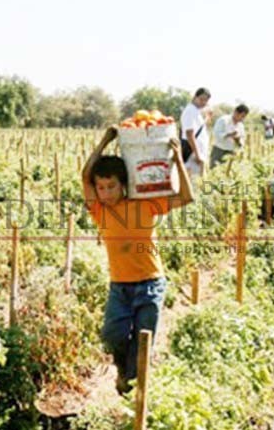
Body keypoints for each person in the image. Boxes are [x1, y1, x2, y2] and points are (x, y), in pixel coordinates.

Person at [81, 127, 195, 395]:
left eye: (111, 187)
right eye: (101, 188)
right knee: (112, 335)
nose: (105, 193)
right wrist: (105, 141)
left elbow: (186, 197)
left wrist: (178, 161)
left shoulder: (145, 205)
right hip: (119, 287)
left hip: (150, 285)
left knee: (145, 341)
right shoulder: (98, 210)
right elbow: (86, 174)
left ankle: (133, 391)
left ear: (125, 185)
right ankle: (124, 371)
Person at [180, 87, 211, 181]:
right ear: (195, 97)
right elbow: (189, 133)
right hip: (192, 154)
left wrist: (207, 118)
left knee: (199, 182)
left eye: (205, 101)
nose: (203, 102)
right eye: (201, 99)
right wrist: (198, 155)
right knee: (193, 182)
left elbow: (198, 128)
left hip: (197, 154)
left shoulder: (196, 111)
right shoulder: (190, 111)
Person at [210, 104, 249, 168]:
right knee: (214, 169)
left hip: (231, 151)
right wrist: (229, 135)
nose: (242, 119)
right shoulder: (223, 120)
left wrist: (238, 140)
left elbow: (242, 139)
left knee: (228, 172)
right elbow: (216, 134)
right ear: (236, 112)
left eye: (244, 117)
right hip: (219, 150)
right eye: (242, 116)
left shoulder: (241, 126)